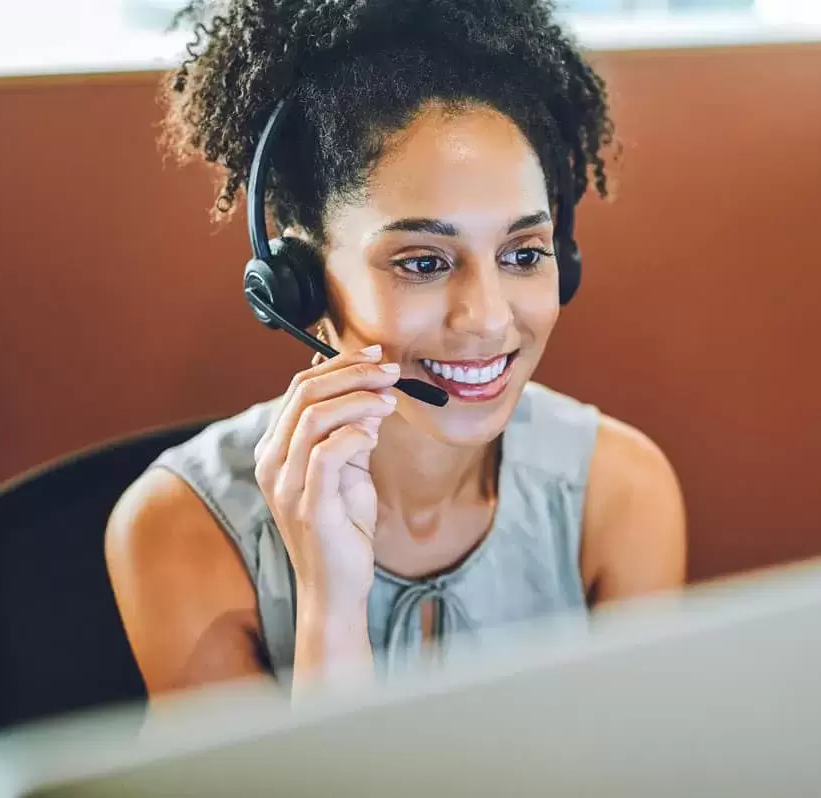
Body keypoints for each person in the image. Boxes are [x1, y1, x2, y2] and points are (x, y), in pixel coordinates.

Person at [106, 0, 686, 701]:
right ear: (299, 283)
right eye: (422, 262)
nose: (487, 319)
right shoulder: (178, 531)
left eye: (523, 253)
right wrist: (330, 608)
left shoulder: (620, 493)